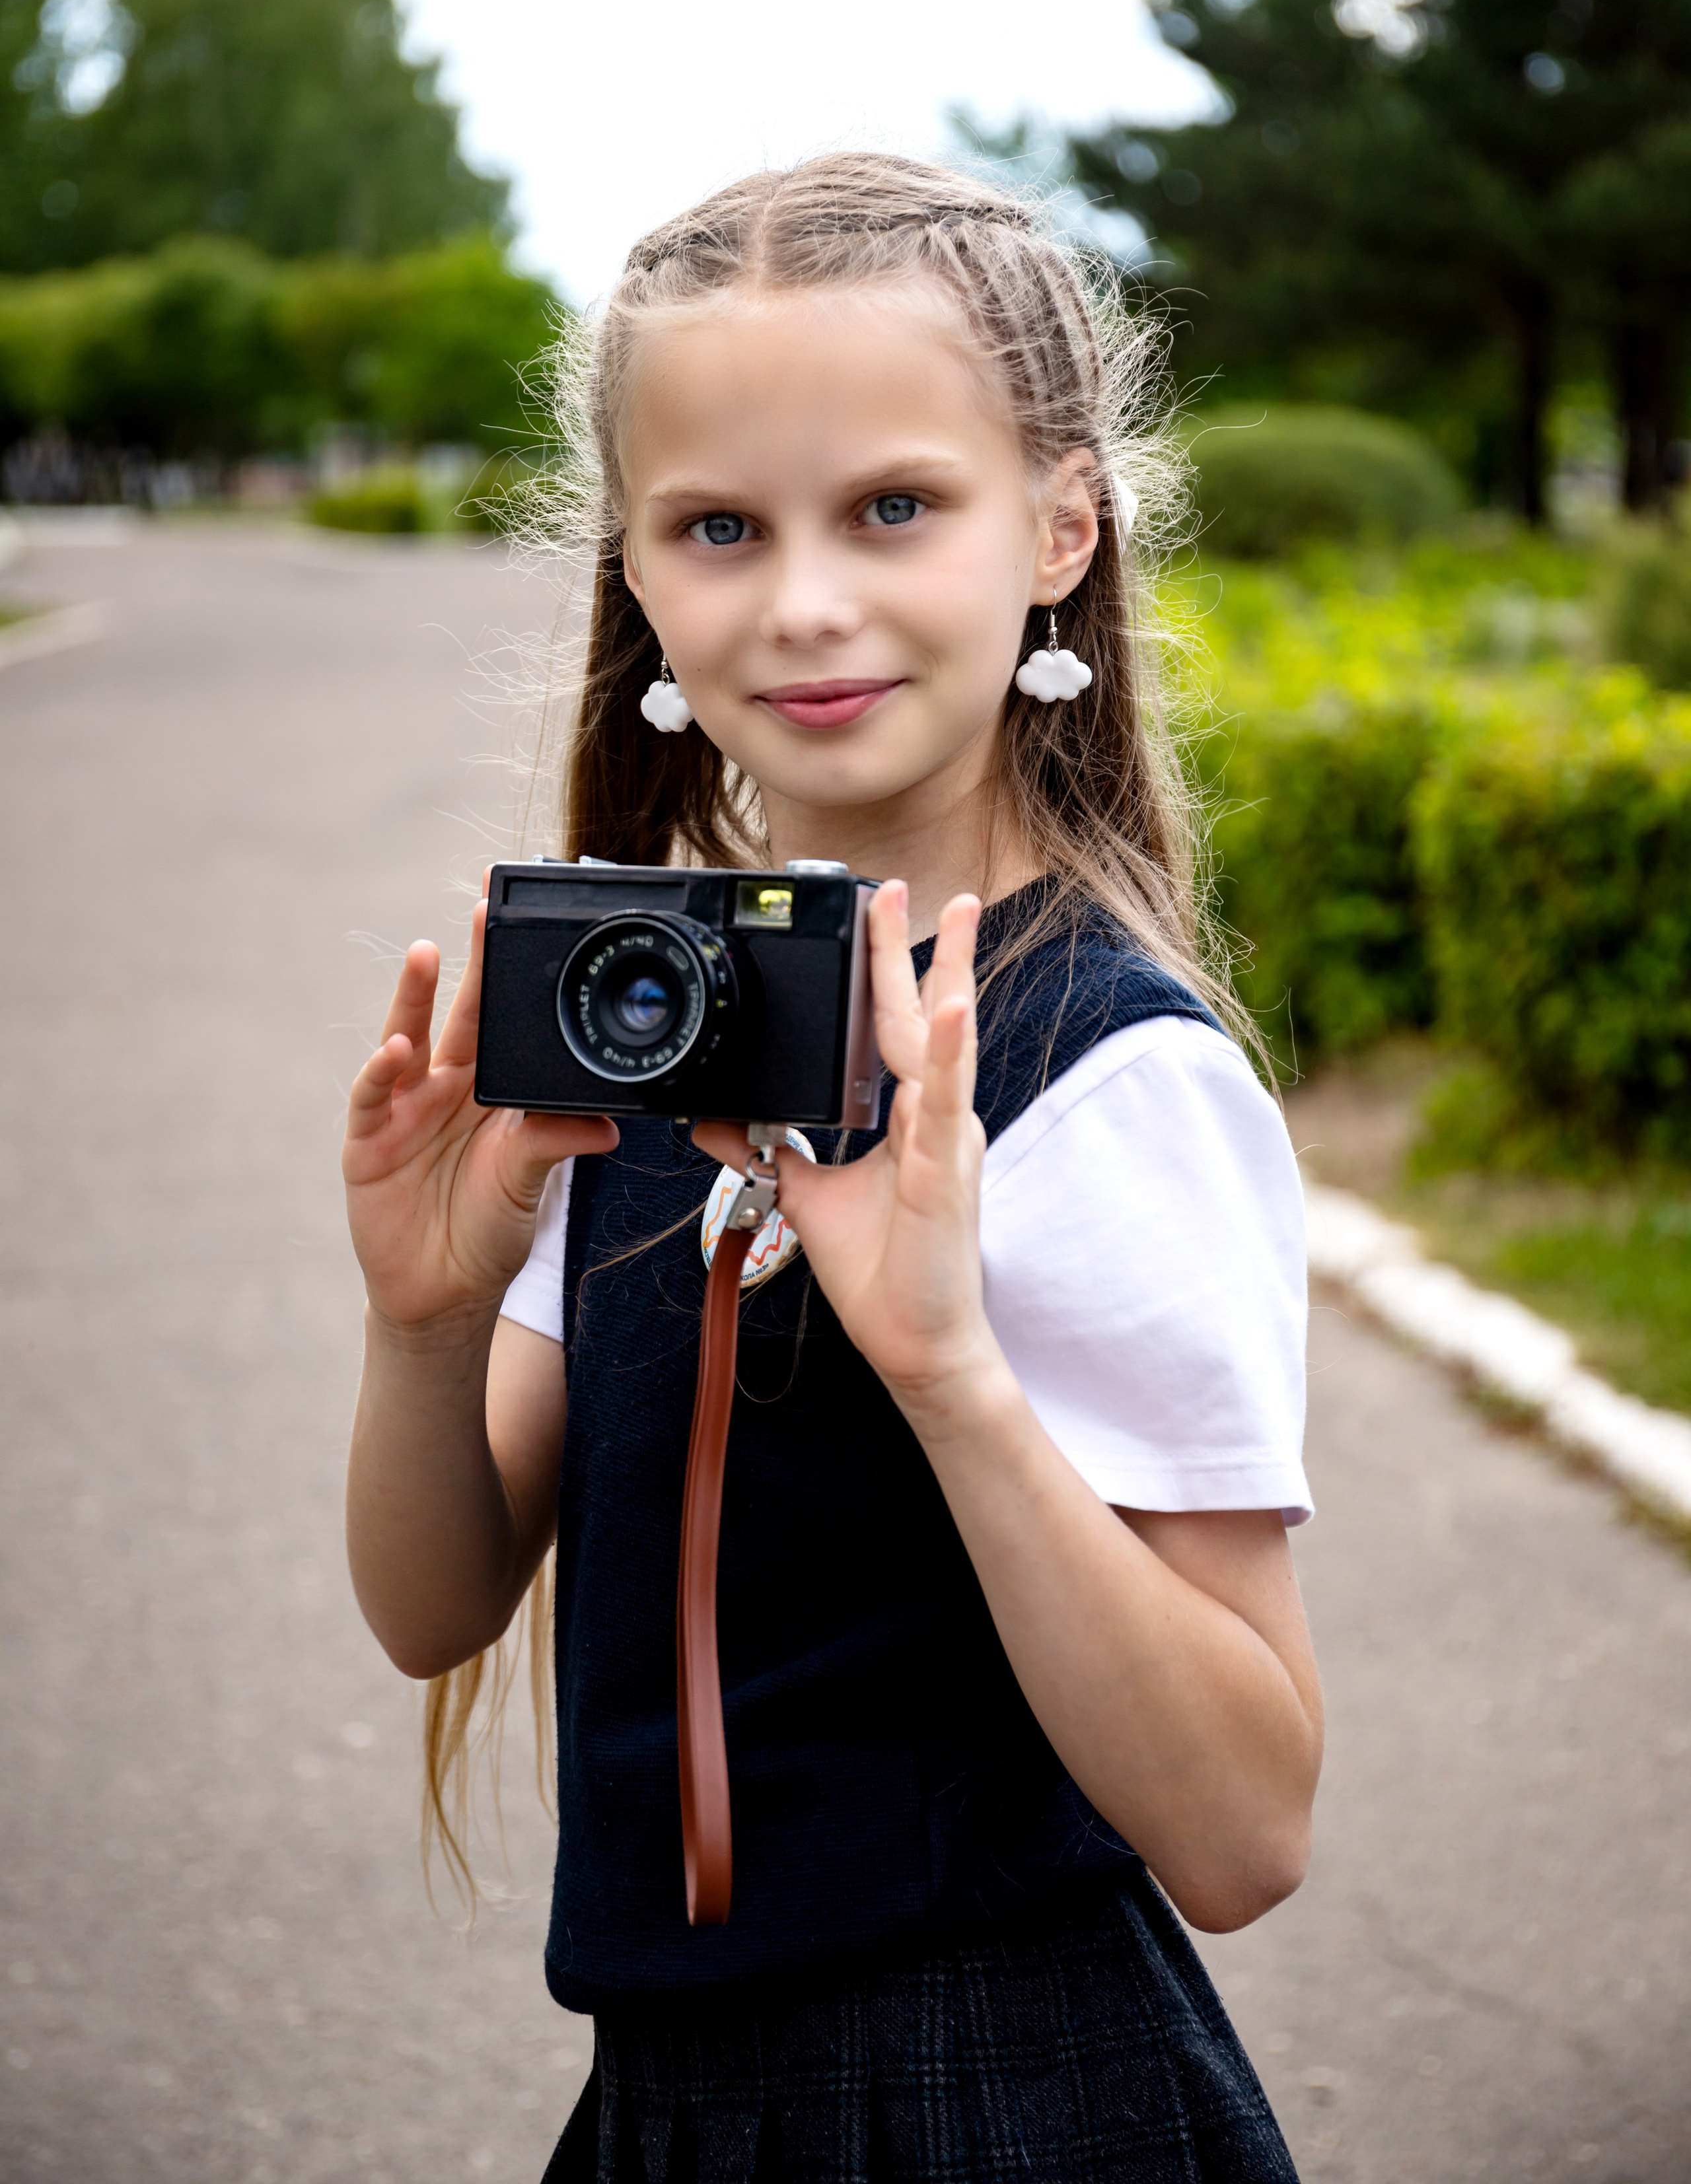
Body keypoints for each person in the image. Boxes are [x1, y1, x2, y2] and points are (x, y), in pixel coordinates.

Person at [341, 153, 1320, 2183]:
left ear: (1059, 529)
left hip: (1001, 2103)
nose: (802, 600)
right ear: (635, 575)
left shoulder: (1107, 1072)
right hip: (680, 2106)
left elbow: (1245, 1832)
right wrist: (421, 1318)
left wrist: (953, 1378)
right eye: (717, 526)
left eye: (895, 506)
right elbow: (433, 1607)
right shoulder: (632, 1030)